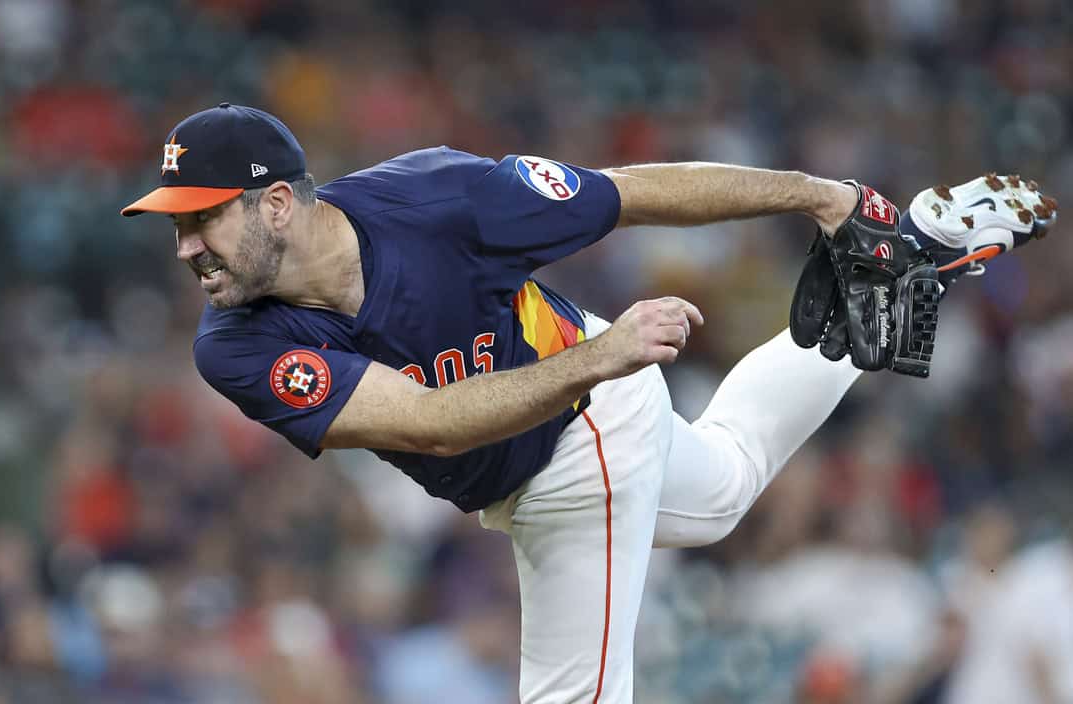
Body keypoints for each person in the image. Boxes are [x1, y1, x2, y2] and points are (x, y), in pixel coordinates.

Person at [121, 103, 1055, 704]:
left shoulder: (440, 199)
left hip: (583, 430)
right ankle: (917, 257)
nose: (185, 247)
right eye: (177, 223)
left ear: (276, 205)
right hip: (575, 395)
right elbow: (426, 423)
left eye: (201, 217)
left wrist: (824, 197)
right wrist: (602, 358)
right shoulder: (235, 344)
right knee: (725, 488)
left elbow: (628, 195)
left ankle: (892, 242)